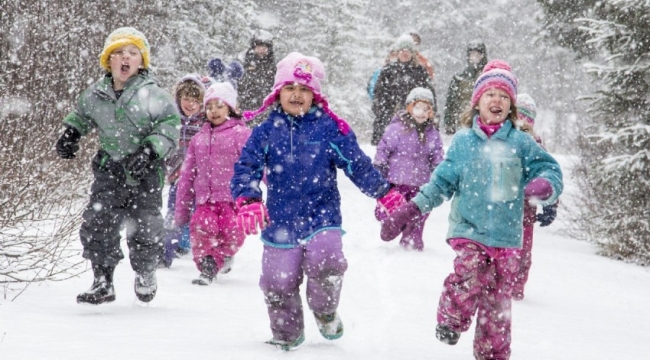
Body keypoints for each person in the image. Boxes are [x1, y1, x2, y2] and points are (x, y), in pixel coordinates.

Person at [381, 60, 563, 360]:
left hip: (506, 237)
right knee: (469, 274)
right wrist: (410, 209)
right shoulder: (464, 142)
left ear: (512, 107)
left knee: (498, 303)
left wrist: (545, 184)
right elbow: (440, 183)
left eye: (504, 96)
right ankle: (451, 319)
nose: (497, 101)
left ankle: (492, 354)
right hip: (469, 230)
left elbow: (550, 168)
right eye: (490, 94)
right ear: (477, 101)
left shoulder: (521, 142)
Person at [231, 52, 406, 350]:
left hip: (322, 215)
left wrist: (382, 191)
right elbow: (246, 166)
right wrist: (248, 198)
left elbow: (357, 164)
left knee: (328, 262)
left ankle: (325, 310)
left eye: (304, 89)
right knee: (277, 283)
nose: (297, 95)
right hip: (280, 219)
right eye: (290, 88)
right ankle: (287, 333)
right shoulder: (265, 131)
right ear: (277, 93)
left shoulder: (329, 128)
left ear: (315, 95)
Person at [55, 27, 180, 304]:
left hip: (145, 172)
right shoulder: (95, 94)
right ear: (108, 61)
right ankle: (102, 280)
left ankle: (146, 271)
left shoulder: (154, 95)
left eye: (133, 53)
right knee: (98, 222)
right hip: (109, 169)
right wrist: (71, 132)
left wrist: (150, 151)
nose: (126, 58)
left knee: (145, 226)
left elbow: (170, 126)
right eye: (118, 53)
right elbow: (82, 115)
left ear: (141, 61)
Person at [174, 82, 251, 285]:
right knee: (201, 228)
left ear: (231, 108)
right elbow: (187, 176)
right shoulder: (199, 139)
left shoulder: (240, 134)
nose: (213, 111)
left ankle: (224, 254)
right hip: (206, 200)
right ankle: (207, 265)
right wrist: (181, 209)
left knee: (233, 232)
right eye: (209, 107)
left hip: (232, 200)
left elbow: (254, 164)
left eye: (219, 105)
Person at [373, 87, 444, 251]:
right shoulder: (396, 129)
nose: (422, 112)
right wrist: (379, 168)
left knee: (418, 216)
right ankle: (390, 223)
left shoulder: (432, 133)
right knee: (393, 211)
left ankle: (411, 244)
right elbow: (383, 150)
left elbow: (437, 155)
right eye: (418, 107)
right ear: (409, 108)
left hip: (420, 185)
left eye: (426, 109)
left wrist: (440, 171)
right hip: (396, 182)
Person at [511, 93, 558, 300]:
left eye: (526, 119)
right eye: (518, 117)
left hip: (526, 209)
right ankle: (498, 285)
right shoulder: (502, 141)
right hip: (500, 208)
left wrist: (550, 204)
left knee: (523, 252)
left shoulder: (537, 146)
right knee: (502, 250)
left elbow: (548, 174)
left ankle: (516, 287)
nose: (522, 123)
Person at [159, 74, 207, 268]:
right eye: (186, 99)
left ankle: (186, 243)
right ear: (178, 98)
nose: (190, 104)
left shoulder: (205, 122)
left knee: (197, 214)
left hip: (201, 179)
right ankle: (164, 251)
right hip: (178, 177)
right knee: (174, 213)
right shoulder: (172, 118)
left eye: (196, 100)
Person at [372, 34, 436, 146]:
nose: (404, 53)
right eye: (402, 50)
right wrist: (382, 114)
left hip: (415, 119)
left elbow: (429, 96)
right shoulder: (388, 71)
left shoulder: (420, 71)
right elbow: (379, 95)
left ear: (412, 52)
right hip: (389, 119)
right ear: (397, 52)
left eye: (408, 50)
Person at [442, 41, 488, 135]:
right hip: (462, 120)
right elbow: (451, 102)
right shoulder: (459, 78)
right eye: (472, 54)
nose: (475, 57)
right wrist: (449, 122)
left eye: (477, 54)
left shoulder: (488, 77)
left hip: (484, 122)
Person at [238, 31, 276, 126]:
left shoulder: (272, 67)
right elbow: (239, 84)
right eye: (259, 46)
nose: (261, 49)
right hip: (247, 106)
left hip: (266, 108)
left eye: (265, 47)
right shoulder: (245, 64)